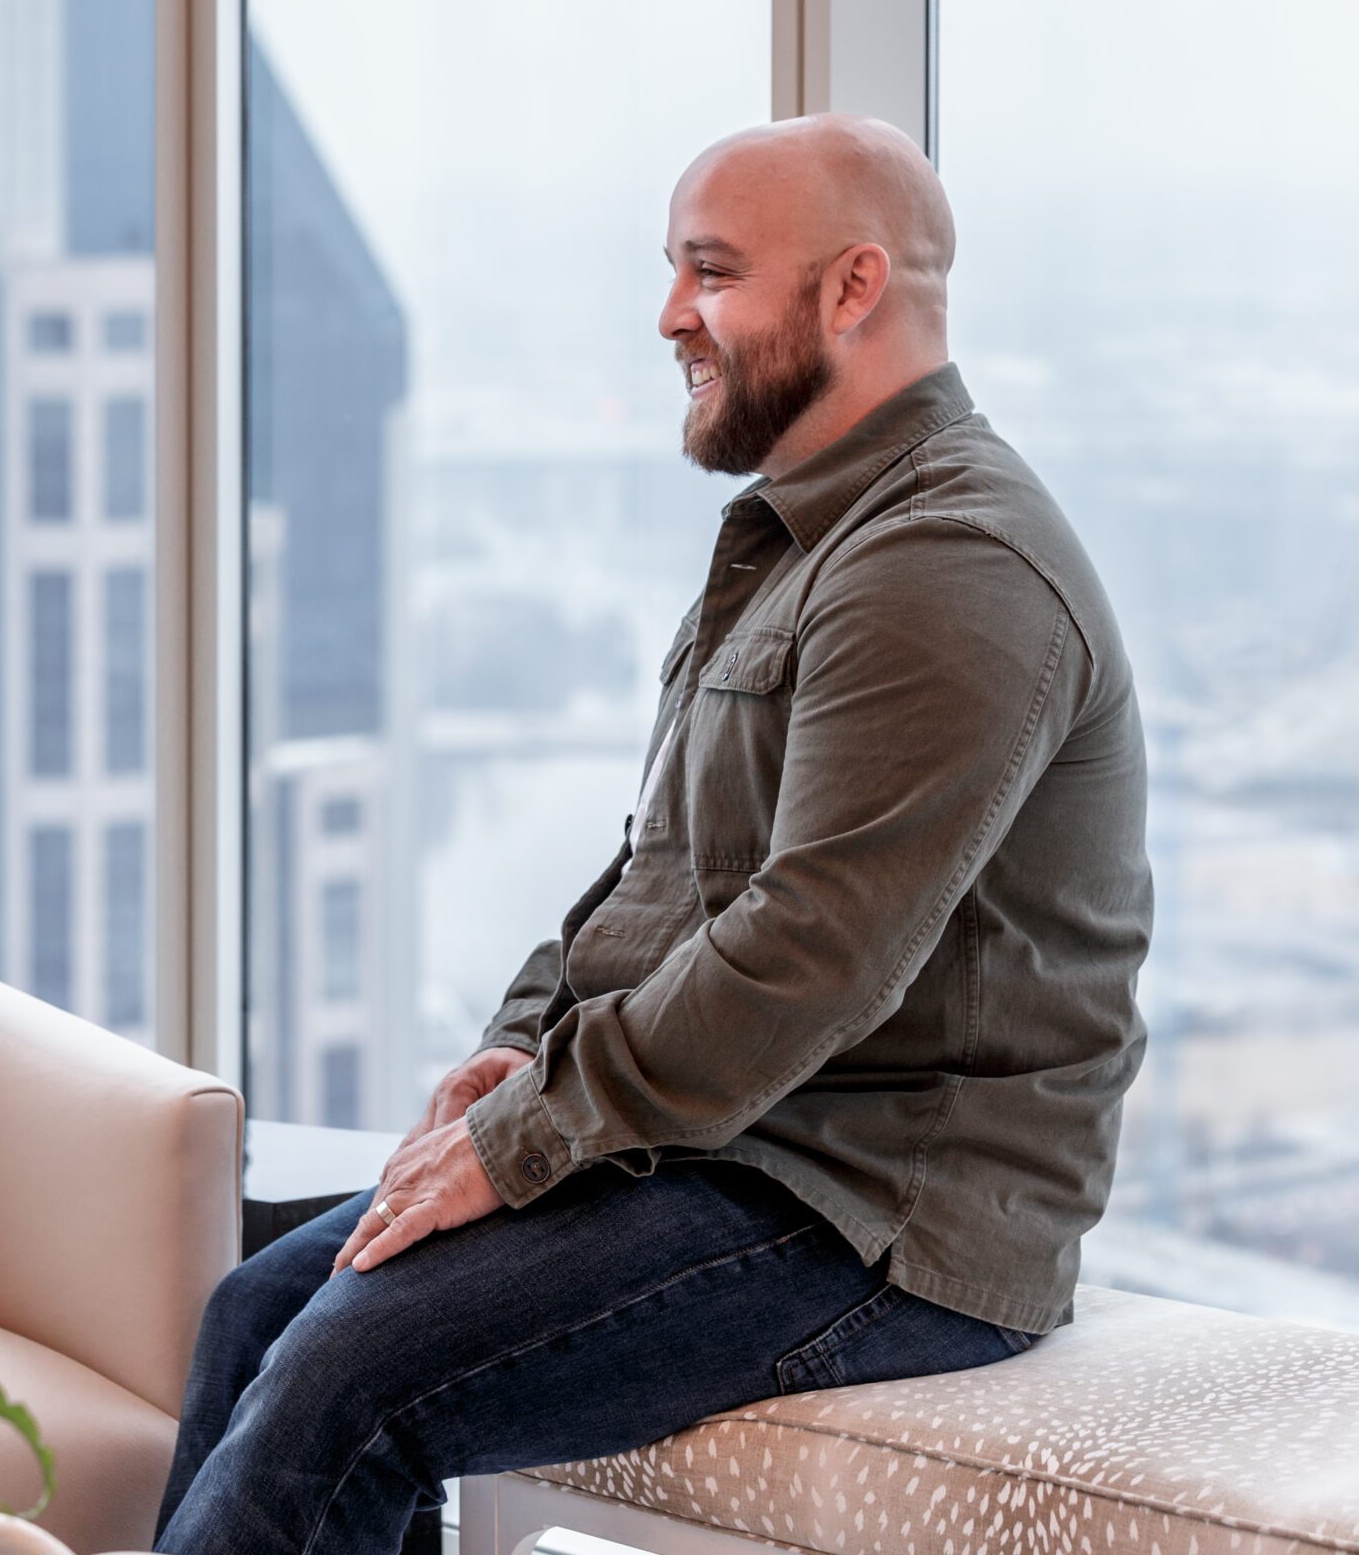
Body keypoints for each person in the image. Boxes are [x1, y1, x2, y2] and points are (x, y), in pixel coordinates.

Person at [155, 114, 1152, 1555]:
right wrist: (521, 1049)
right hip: (735, 1142)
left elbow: (811, 951)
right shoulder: (804, 540)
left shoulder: (947, 562)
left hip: (882, 1211)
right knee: (259, 1307)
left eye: (713, 272)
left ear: (853, 288)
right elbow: (662, 873)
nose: (672, 314)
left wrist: (523, 1143)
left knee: (347, 1380)